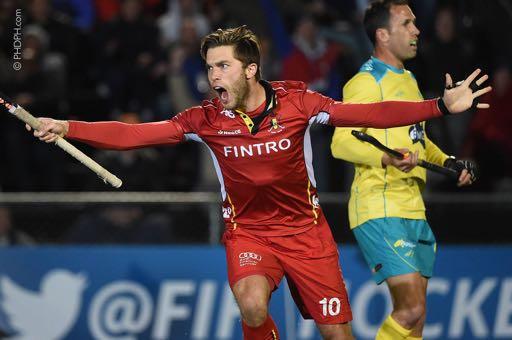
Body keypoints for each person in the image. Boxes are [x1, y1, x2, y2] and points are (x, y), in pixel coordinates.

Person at [27, 26, 489, 340]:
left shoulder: (298, 104)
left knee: (336, 334)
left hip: (307, 234)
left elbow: (368, 113)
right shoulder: (204, 119)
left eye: (222, 67)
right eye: (209, 68)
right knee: (251, 305)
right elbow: (134, 133)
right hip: (248, 232)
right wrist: (68, 126)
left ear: (250, 70)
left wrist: (439, 107)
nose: (212, 77)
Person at [330, 1, 479, 339]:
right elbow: (340, 143)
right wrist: (386, 159)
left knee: (416, 321)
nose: (417, 30)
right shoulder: (365, 82)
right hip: (379, 204)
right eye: (407, 24)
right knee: (410, 311)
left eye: (415, 23)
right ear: (382, 34)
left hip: (413, 206)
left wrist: (448, 163)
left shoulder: (409, 79)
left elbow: (417, 140)